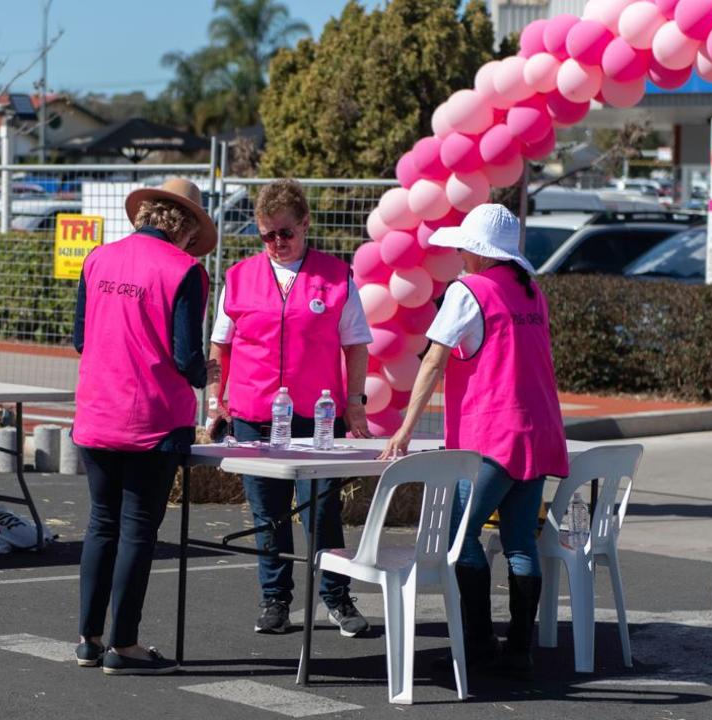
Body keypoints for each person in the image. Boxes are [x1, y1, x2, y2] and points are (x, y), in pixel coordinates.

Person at [380, 203, 568, 680]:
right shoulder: (532, 293)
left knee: (459, 539)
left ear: (479, 252)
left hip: (491, 437)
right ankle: (519, 649)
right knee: (520, 542)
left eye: (466, 245)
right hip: (539, 430)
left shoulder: (468, 291)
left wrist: (404, 430)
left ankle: (479, 646)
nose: (460, 252)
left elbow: (433, 361)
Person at [207, 179, 374, 638]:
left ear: (305, 225)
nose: (277, 244)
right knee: (267, 515)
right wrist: (215, 399)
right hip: (254, 415)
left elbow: (356, 345)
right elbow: (220, 345)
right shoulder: (239, 278)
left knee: (321, 513)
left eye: (285, 233)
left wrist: (354, 403)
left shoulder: (337, 277)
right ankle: (275, 601)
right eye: (266, 235)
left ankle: (336, 598)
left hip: (316, 418)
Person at [72, 178, 215, 676]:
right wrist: (207, 374)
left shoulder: (98, 258)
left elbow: (79, 338)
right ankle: (124, 644)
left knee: (101, 525)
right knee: (137, 531)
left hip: (96, 411)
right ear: (186, 226)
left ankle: (89, 638)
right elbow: (185, 356)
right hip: (152, 419)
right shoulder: (185, 271)